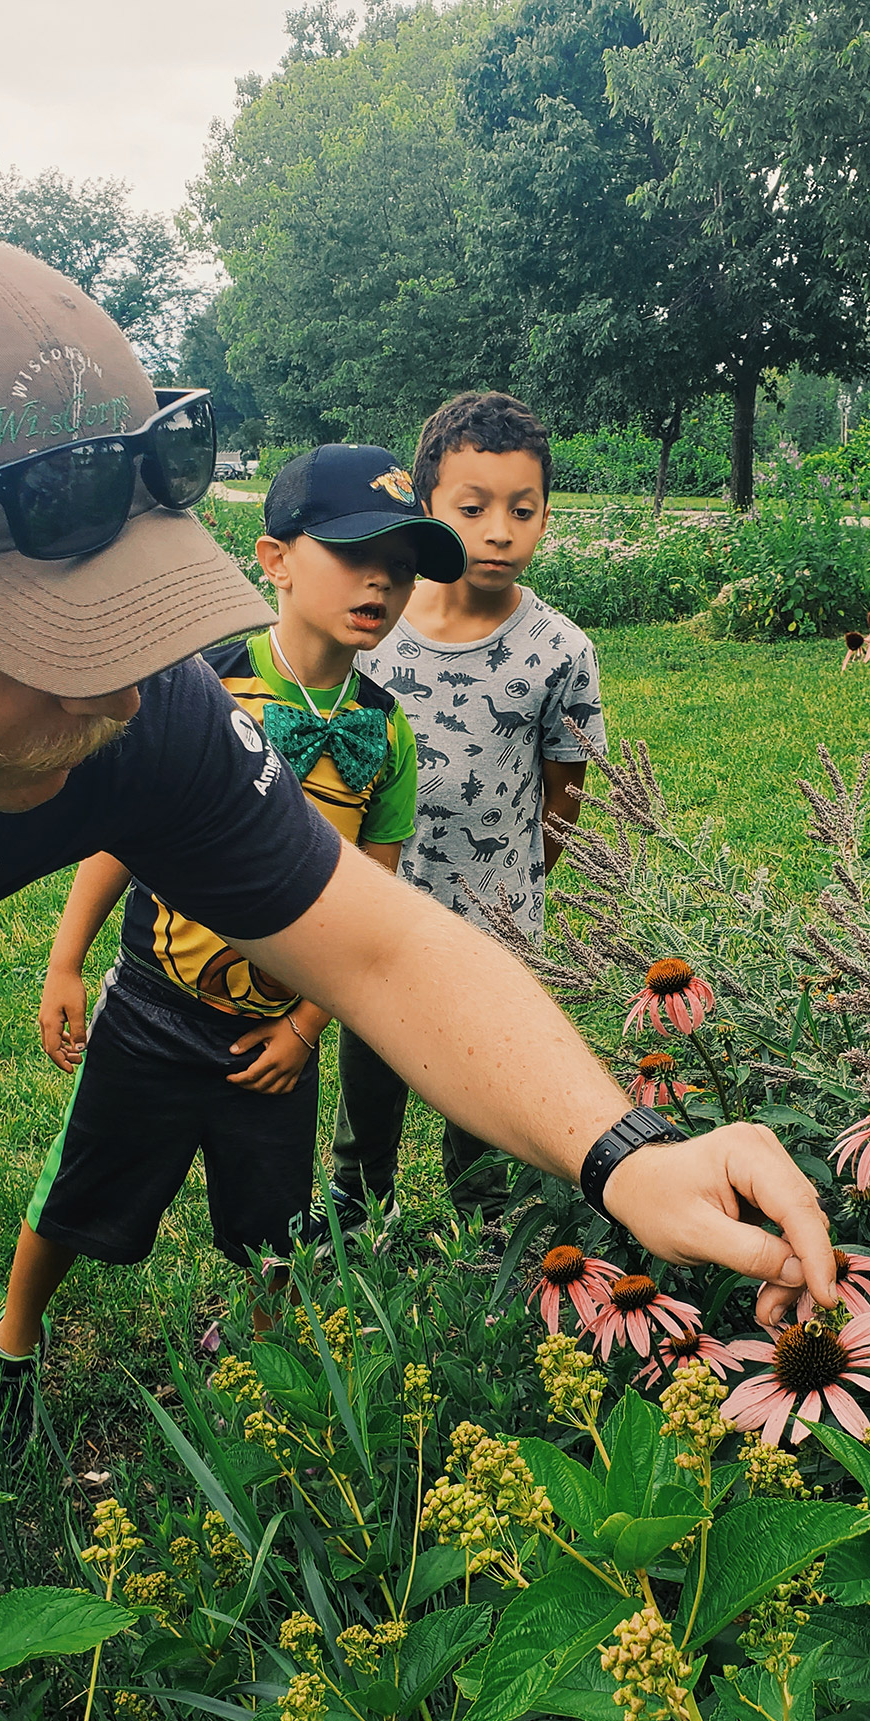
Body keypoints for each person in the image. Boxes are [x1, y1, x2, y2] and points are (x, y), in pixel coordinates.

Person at [0, 219, 837, 1610]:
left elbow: (382, 943)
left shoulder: (136, 719)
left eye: (133, 617)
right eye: (42, 643)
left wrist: (621, 1149)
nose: (121, 693)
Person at [0, 445, 448, 1469]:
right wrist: (65, 961)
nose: (381, 583)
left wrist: (306, 1025)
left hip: (274, 1036)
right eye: (356, 553)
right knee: (75, 1190)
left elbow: (372, 905)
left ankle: (272, 1387)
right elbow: (117, 834)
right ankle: (13, 1346)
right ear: (274, 557)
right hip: (153, 1001)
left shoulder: (386, 732)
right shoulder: (204, 685)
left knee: (277, 1228)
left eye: (402, 569)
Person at [329, 391, 603, 1225]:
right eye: (473, 508)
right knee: (372, 1061)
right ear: (426, 509)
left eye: (522, 510)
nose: (498, 531)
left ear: (547, 516)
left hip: (498, 919)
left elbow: (566, 794)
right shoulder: (376, 626)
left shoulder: (561, 651)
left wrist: (518, 884)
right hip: (375, 908)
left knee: (487, 1077)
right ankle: (357, 1198)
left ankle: (483, 1219)